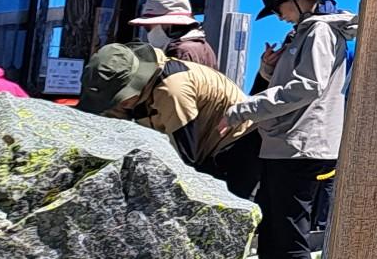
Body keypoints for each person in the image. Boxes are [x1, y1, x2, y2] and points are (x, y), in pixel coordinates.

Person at [227, 0, 355, 259]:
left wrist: (243, 110)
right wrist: (268, 69)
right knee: (274, 241)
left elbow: (307, 87)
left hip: (301, 149)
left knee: (288, 243)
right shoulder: (307, 31)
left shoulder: (320, 30)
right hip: (292, 147)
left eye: (277, 7)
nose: (278, 15)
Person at [78, 40, 262, 197]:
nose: (118, 105)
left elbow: (184, 156)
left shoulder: (172, 90)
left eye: (119, 99)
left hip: (234, 143)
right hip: (202, 142)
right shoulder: (139, 93)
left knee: (214, 203)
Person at [129, 0, 220, 69]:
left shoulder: (180, 51)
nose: (147, 33)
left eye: (148, 28)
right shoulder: (202, 46)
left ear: (167, 25)